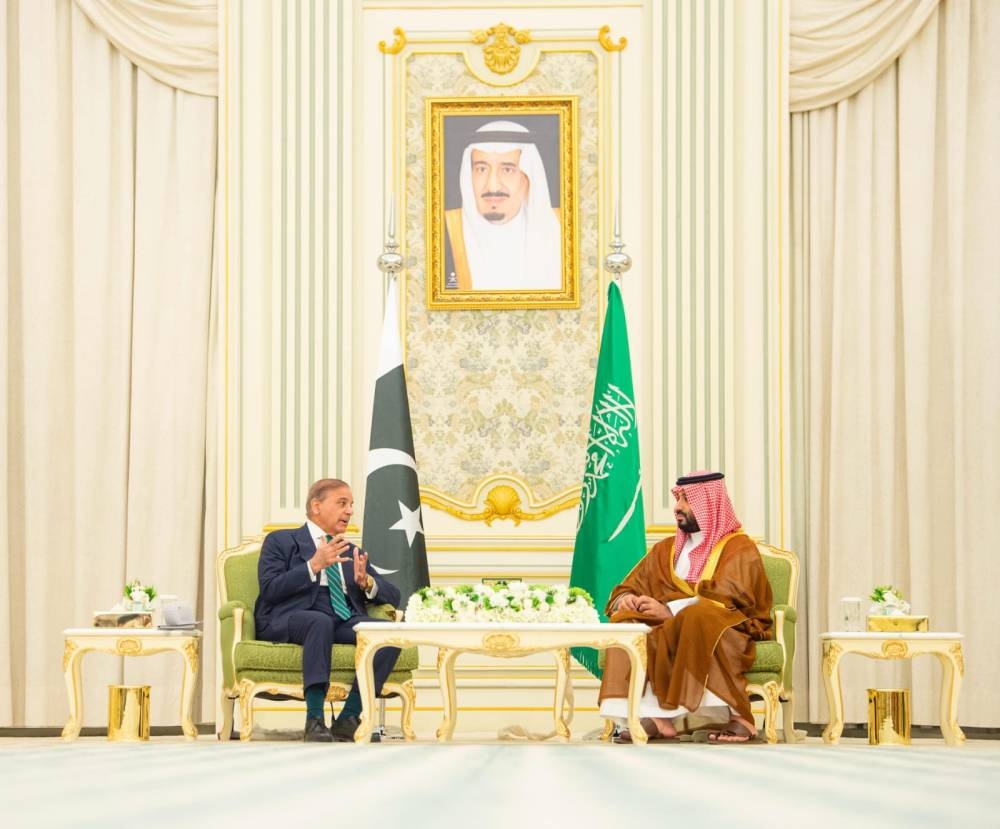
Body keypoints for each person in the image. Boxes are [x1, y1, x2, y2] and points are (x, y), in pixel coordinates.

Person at [598, 471, 773, 743]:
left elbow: (732, 595)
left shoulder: (739, 547)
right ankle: (652, 718)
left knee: (698, 616)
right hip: (670, 625)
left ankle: (740, 718)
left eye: (686, 500)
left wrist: (671, 610)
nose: (677, 507)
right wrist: (628, 599)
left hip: (725, 624)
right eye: (677, 498)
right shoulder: (666, 550)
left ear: (709, 504)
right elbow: (628, 586)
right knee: (626, 621)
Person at [254, 478, 403, 742]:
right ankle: (314, 720)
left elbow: (394, 595)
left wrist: (366, 582)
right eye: (342, 503)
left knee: (390, 633)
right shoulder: (281, 541)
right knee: (319, 622)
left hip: (342, 617)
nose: (349, 511)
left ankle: (349, 718)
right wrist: (313, 565)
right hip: (292, 616)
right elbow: (270, 589)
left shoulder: (351, 550)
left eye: (351, 505)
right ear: (316, 506)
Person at [444, 120, 562, 291]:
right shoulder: (444, 231)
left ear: (529, 177)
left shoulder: (563, 229)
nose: (492, 186)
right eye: (481, 169)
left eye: (507, 170)